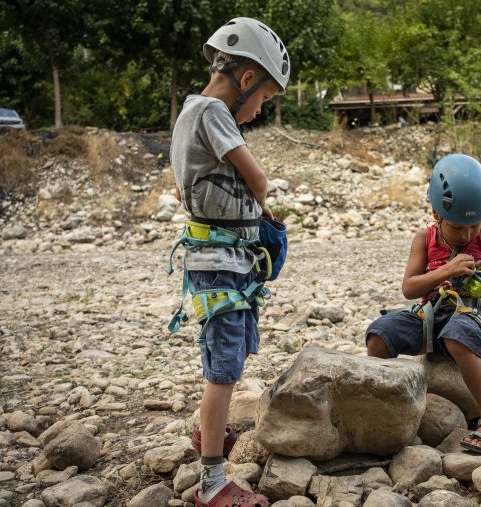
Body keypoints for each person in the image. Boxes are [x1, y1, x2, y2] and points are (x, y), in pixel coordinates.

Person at [169, 17, 290, 507]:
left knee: (223, 354)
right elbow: (257, 179)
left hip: (215, 256)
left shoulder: (187, 114)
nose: (259, 111)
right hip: (221, 261)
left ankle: (208, 434)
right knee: (224, 368)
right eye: (263, 98)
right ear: (245, 80)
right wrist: (263, 205)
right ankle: (213, 481)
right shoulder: (214, 112)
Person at [365, 153, 481, 455]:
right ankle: (382, 406)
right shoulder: (424, 239)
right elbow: (409, 288)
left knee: (457, 334)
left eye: (474, 225)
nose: (467, 234)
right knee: (380, 334)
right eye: (458, 227)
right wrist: (444, 271)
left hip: (470, 316)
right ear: (435, 212)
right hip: (430, 317)